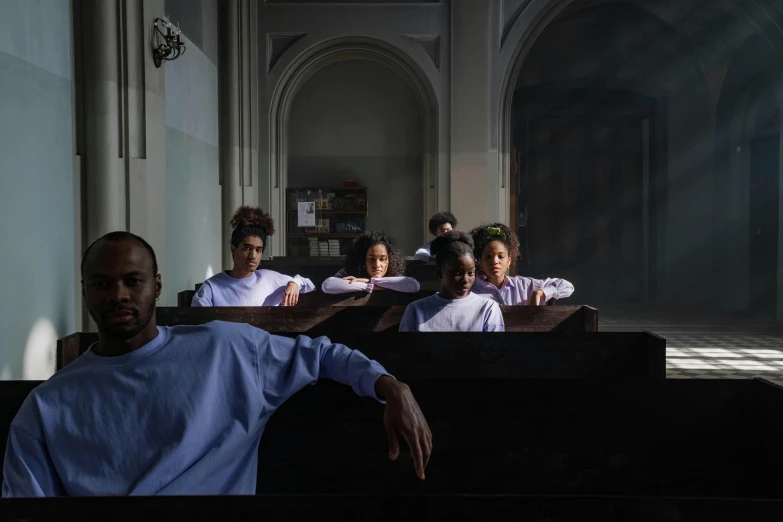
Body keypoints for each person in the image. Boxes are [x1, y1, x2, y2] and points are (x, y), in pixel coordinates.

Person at [2, 232, 431, 497]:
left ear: (157, 286)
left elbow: (320, 354)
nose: (118, 295)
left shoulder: (225, 349)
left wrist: (389, 384)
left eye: (133, 281)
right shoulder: (46, 408)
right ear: (85, 291)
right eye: (102, 284)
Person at [192, 206, 315, 306]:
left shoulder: (269, 279)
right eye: (247, 248)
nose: (253, 256)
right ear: (233, 250)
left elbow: (309, 285)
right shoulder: (212, 288)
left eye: (258, 250)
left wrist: (295, 283)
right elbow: (199, 327)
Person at [399, 231, 504, 332]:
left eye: (471, 273)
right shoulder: (416, 310)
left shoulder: (487, 308)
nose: (465, 280)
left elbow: (494, 349)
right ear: (439, 272)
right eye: (457, 273)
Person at [469, 223, 574, 306]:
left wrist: (539, 293)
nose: (495, 261)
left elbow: (567, 286)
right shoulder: (471, 289)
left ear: (509, 261)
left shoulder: (524, 286)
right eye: (488, 257)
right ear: (481, 262)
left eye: (501, 256)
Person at [322, 230, 420, 294]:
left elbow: (413, 285)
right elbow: (328, 285)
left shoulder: (392, 273)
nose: (377, 265)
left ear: (389, 260)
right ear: (362, 259)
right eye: (371, 259)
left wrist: (370, 280)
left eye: (382, 259)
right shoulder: (349, 271)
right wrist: (368, 286)